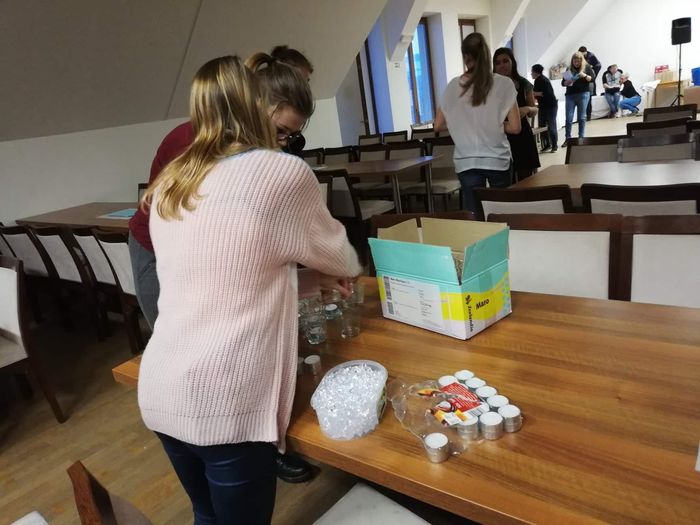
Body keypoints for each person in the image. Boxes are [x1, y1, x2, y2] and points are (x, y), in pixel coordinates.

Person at [137, 55, 361, 524]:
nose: (286, 141)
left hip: (160, 389)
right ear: (257, 107)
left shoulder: (172, 181)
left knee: (205, 516)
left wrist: (305, 280)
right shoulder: (279, 172)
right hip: (225, 402)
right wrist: (335, 270)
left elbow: (224, 280)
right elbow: (339, 255)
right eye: (284, 131)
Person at [433, 32, 521, 212]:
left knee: (475, 216)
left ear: (465, 57)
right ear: (487, 55)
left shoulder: (452, 86)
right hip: (498, 159)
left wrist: (462, 124)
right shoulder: (504, 83)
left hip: (466, 161)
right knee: (502, 213)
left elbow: (438, 125)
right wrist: (494, 123)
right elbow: (515, 128)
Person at [493, 47, 540, 180]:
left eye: (505, 61)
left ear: (512, 62)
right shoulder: (489, 86)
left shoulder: (523, 83)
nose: (502, 65)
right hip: (501, 135)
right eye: (498, 63)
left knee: (526, 178)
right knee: (505, 180)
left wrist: (527, 109)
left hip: (522, 134)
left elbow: (535, 110)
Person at [561, 52, 595, 146]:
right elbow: (563, 83)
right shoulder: (569, 68)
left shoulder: (587, 67)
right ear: (572, 61)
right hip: (570, 95)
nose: (576, 63)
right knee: (569, 118)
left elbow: (592, 79)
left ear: (582, 61)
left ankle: (581, 138)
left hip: (583, 94)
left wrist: (584, 75)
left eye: (578, 61)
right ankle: (568, 138)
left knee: (581, 117)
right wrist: (568, 81)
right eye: (575, 61)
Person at [531, 64, 558, 153]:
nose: (531, 74)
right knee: (542, 126)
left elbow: (545, 93)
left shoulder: (543, 80)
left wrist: (533, 93)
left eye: (532, 72)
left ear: (536, 72)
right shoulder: (537, 80)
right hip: (542, 106)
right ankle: (546, 145)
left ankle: (554, 146)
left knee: (551, 126)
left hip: (550, 106)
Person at [578, 46, 601, 121]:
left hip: (595, 68)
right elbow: (564, 82)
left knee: (588, 97)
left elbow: (592, 78)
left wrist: (586, 75)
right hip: (576, 91)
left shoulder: (590, 56)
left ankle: (587, 116)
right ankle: (584, 117)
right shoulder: (571, 67)